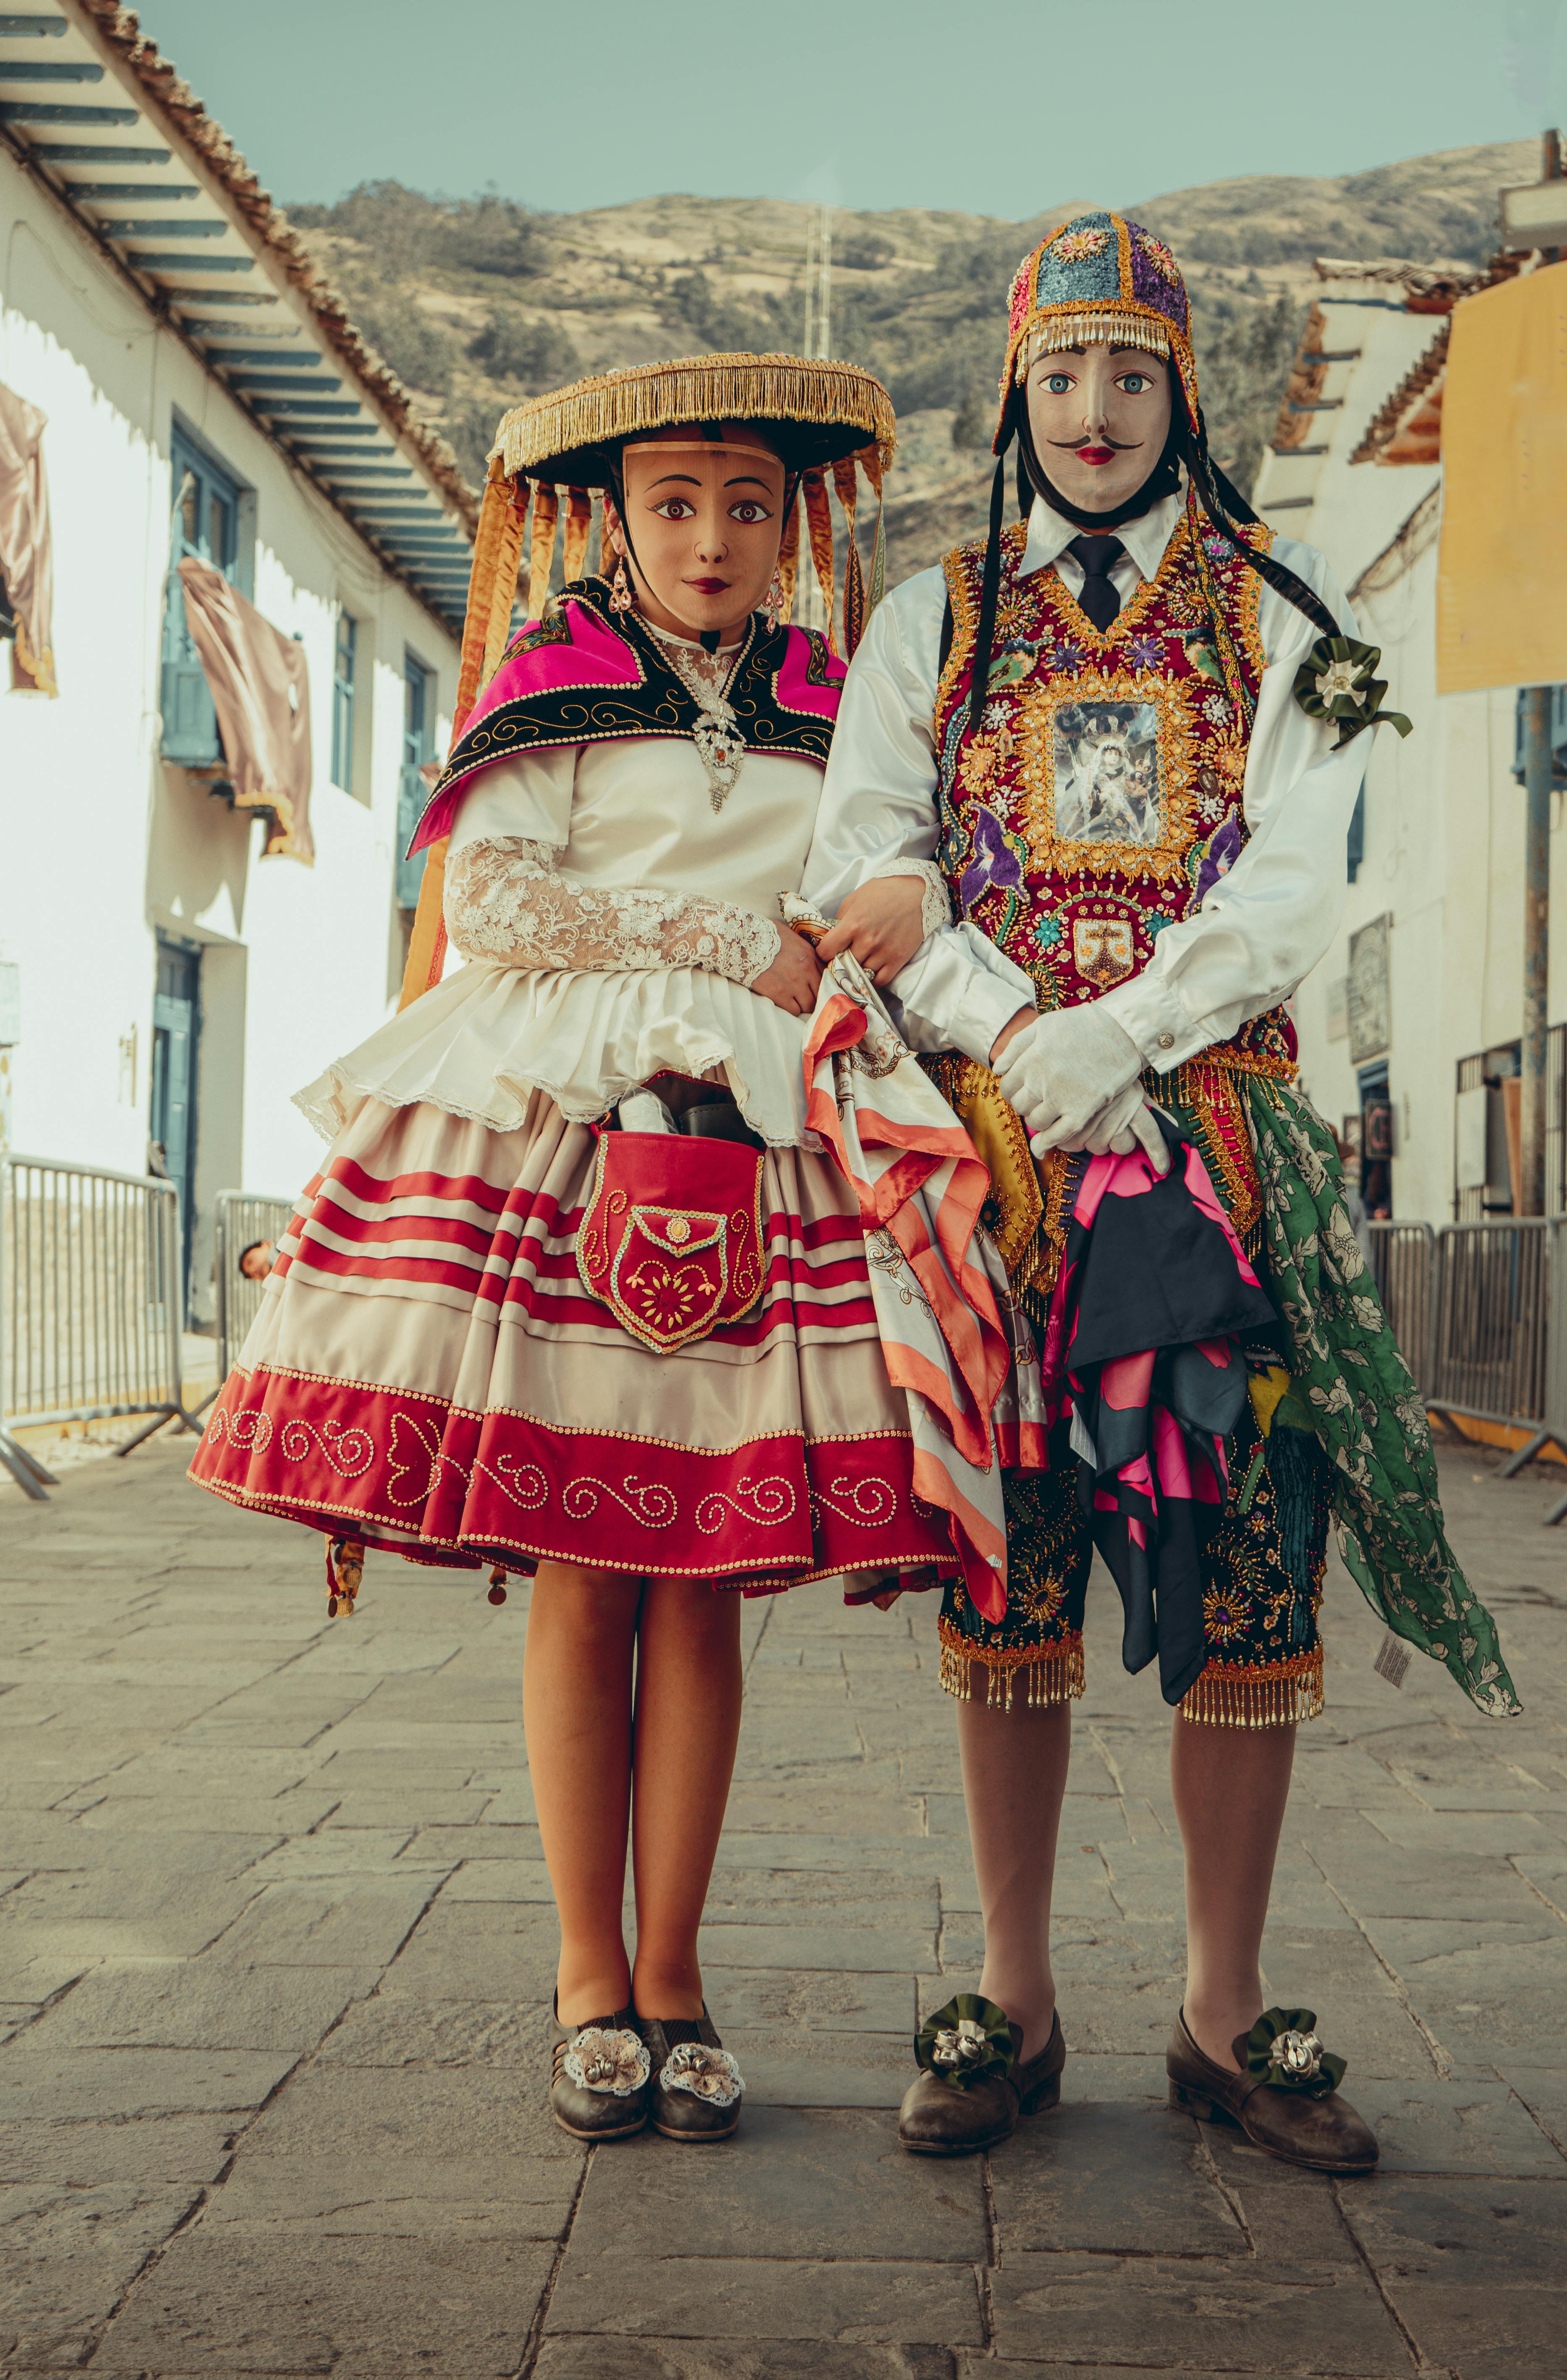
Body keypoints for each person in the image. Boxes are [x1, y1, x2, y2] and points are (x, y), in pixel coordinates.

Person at [190, 354, 1018, 2149]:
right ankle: (585, 1976)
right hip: (560, 1138)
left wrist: (829, 951)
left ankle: (678, 1972)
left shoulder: (839, 698)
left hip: (771, 1147)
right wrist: (726, 939)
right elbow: (489, 902)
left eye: (743, 503)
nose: (709, 537)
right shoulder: (551, 675)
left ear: (792, 521)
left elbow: (882, 890)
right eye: (672, 502)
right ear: (613, 515)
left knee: (706, 1575)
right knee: (581, 1566)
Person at [808, 214, 1517, 2177]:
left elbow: (1296, 883)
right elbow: (862, 859)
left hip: (1216, 1144)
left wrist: (1117, 1029)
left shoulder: (1282, 622)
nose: (1097, 412)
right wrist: (1002, 1012)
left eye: (1132, 374)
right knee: (1009, 1561)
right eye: (1060, 376)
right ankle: (1016, 1992)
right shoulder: (924, 622)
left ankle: (1220, 2001)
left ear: (1181, 389)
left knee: (1250, 1555)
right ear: (1014, 392)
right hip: (1003, 1161)